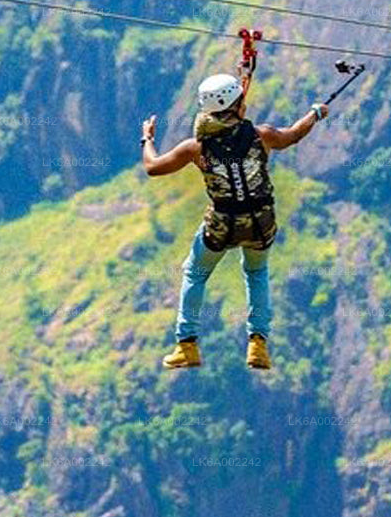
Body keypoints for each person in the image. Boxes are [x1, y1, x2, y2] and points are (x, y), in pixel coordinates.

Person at [141, 74, 329, 370]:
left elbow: (153, 167)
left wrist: (147, 138)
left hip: (222, 225)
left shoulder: (196, 148)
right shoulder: (261, 135)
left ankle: (186, 345)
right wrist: (315, 113)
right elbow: (292, 135)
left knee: (195, 273)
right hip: (260, 221)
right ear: (237, 104)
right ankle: (258, 345)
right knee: (256, 272)